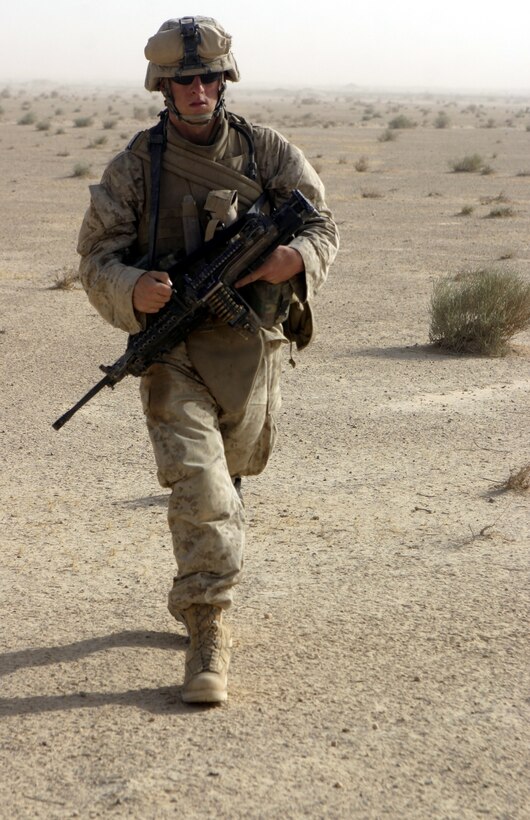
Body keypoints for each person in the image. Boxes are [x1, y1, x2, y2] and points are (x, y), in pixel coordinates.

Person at [78, 16, 339, 704]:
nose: (198, 90)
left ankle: (202, 582)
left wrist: (295, 259)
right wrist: (132, 288)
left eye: (209, 77)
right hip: (174, 353)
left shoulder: (266, 153)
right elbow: (95, 256)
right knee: (202, 487)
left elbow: (320, 222)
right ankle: (207, 628)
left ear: (225, 79)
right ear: (162, 86)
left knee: (232, 478)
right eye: (183, 79)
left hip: (252, 351)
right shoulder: (136, 167)